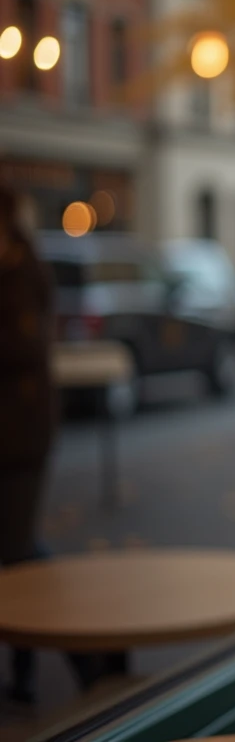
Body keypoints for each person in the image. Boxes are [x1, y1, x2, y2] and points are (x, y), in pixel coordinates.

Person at [0, 187, 56, 705]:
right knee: (17, 551)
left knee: (18, 552)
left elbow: (25, 346)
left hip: (21, 434)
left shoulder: (22, 274)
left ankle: (36, 661)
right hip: (18, 432)